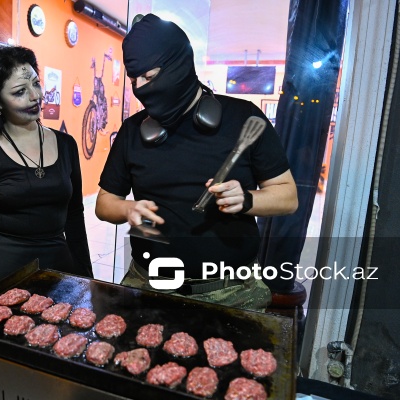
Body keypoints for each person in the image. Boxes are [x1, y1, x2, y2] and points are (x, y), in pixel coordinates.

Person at [95, 14, 298, 311]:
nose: (140, 87)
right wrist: (127, 208)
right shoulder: (132, 130)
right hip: (148, 285)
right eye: (133, 79)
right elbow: (104, 203)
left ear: (178, 65)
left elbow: (288, 196)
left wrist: (246, 199)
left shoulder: (244, 118)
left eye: (149, 77)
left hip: (231, 294)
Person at [0, 45, 93, 302]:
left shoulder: (66, 144)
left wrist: (87, 277)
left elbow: (74, 215)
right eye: (20, 92)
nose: (35, 96)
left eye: (36, 84)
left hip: (59, 269)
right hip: (3, 272)